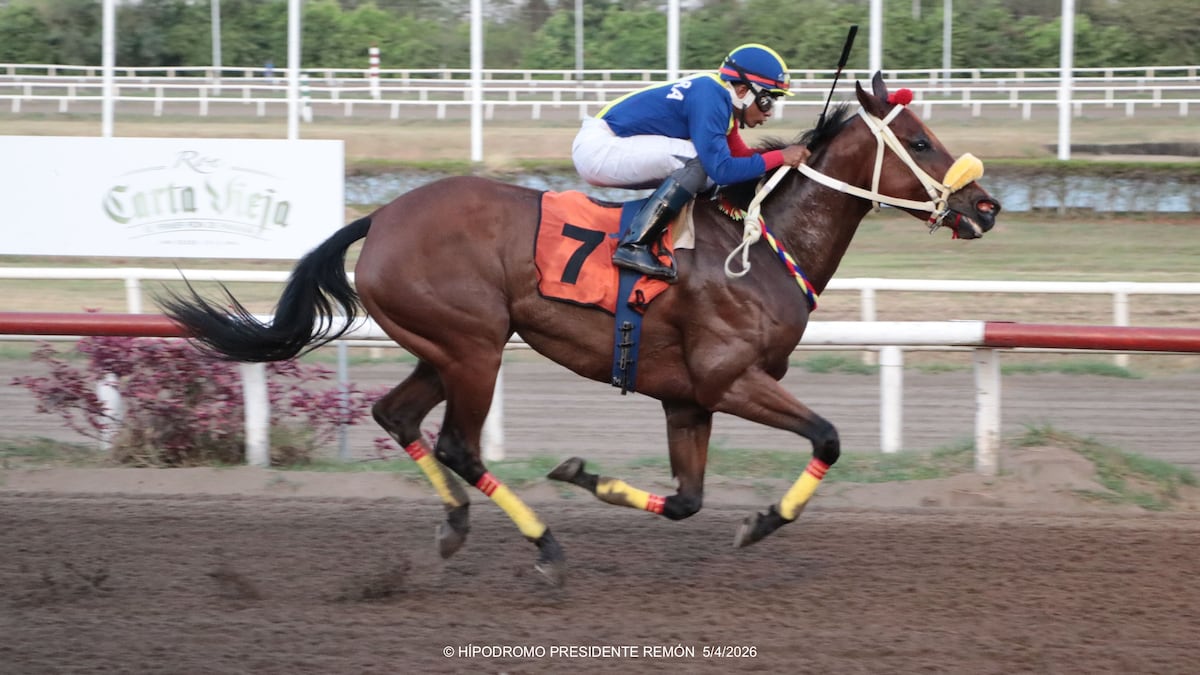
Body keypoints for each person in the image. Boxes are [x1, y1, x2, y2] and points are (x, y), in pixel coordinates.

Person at [572, 43, 812, 282]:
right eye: (767, 101)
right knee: (703, 164)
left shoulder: (718, 97)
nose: (768, 113)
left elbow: (742, 156)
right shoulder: (711, 96)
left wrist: (784, 158)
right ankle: (634, 245)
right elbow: (722, 170)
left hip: (607, 146)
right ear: (742, 92)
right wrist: (781, 156)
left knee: (706, 169)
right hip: (600, 147)